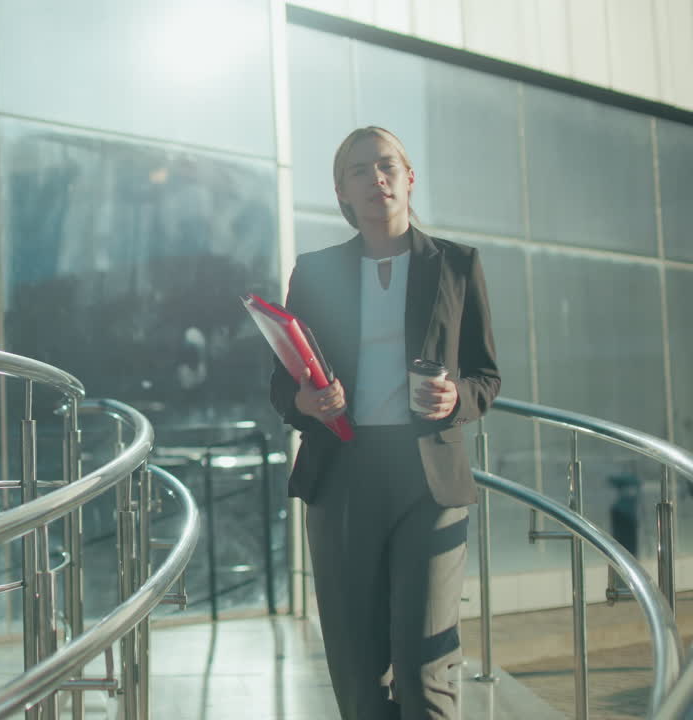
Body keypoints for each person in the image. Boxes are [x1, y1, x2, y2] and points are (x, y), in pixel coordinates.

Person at [270, 126, 500, 720]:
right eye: (359, 171)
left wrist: (455, 398)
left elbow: (486, 376)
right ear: (343, 193)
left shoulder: (455, 265)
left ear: (409, 177)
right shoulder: (314, 272)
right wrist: (307, 404)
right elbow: (279, 385)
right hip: (341, 474)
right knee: (357, 673)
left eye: (388, 166)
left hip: (429, 480)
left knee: (426, 670)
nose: (376, 179)